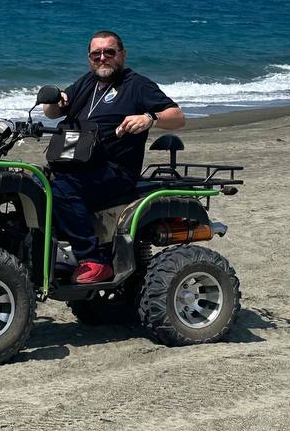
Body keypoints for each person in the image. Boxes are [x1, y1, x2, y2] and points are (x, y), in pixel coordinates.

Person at [41, 30, 186, 284]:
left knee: (61, 189)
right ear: (89, 58)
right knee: (34, 183)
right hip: (76, 163)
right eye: (96, 54)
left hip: (115, 171)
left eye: (109, 52)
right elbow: (51, 113)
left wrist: (149, 118)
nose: (102, 58)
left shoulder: (136, 85)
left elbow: (177, 117)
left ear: (122, 54)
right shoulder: (86, 83)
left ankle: (93, 260)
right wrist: (56, 101)